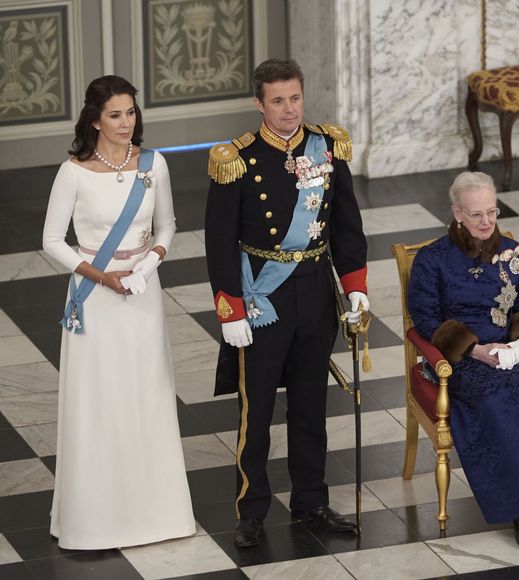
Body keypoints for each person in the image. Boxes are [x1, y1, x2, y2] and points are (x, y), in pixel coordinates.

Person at [205, 59, 369, 547]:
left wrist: (355, 287)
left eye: (294, 98)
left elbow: (346, 225)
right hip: (263, 297)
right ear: (259, 104)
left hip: (316, 290)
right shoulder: (236, 159)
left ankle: (312, 501)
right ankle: (251, 509)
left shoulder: (327, 147)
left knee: (309, 405)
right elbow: (218, 243)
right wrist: (230, 309)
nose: (288, 109)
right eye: (277, 100)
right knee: (254, 412)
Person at [42, 75, 195, 549]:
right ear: (94, 120)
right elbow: (50, 241)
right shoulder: (74, 172)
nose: (126, 123)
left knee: (148, 395)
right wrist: (101, 277)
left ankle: (160, 515)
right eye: (115, 114)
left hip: (142, 293)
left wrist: (150, 263)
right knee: (101, 402)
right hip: (97, 297)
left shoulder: (154, 165)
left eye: (130, 112)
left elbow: (167, 225)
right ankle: (96, 521)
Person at [408, 171, 519, 551]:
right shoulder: (432, 260)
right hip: (463, 361)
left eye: (492, 212)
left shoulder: (517, 254)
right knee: (497, 405)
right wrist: (473, 349)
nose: (486, 222)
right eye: (475, 214)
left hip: (513, 352)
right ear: (456, 213)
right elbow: (426, 319)